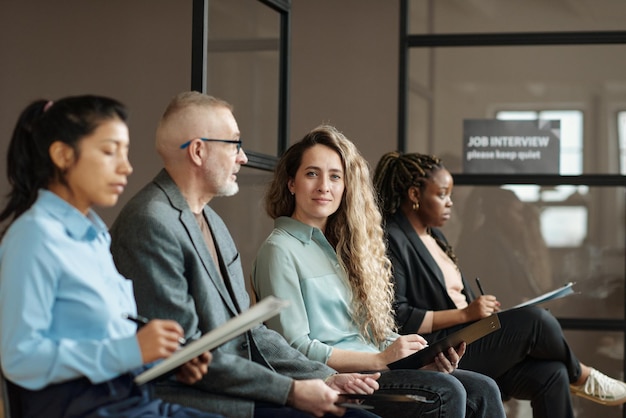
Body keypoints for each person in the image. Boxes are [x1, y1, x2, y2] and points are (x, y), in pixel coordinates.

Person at [109, 92, 381, 418]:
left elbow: (249, 331)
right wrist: (291, 391)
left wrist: (326, 376)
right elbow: (185, 356)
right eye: (234, 144)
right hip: (195, 400)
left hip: (239, 389)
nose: (242, 158)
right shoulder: (150, 222)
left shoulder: (214, 222)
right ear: (198, 151)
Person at [251, 125, 506, 418]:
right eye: (312, 174)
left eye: (335, 176)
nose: (324, 186)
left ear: (346, 186)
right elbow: (294, 348)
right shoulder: (280, 250)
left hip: (376, 366)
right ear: (291, 183)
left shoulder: (342, 250)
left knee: (483, 388)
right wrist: (380, 358)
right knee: (447, 391)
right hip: (342, 377)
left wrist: (418, 359)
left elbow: (369, 335)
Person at [0, 95, 222, 418]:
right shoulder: (34, 237)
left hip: (132, 403)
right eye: (108, 151)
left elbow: (104, 341)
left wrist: (166, 361)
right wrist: (131, 350)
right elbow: (19, 358)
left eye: (126, 152)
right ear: (62, 154)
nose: (126, 167)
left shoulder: (95, 237)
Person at [372, 151, 626, 418]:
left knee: (552, 374)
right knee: (537, 321)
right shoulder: (392, 238)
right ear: (414, 195)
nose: (450, 204)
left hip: (468, 337)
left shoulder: (435, 236)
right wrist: (466, 314)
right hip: (437, 349)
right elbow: (400, 316)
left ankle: (572, 373)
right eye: (442, 194)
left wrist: (476, 310)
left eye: (450, 195)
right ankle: (583, 376)